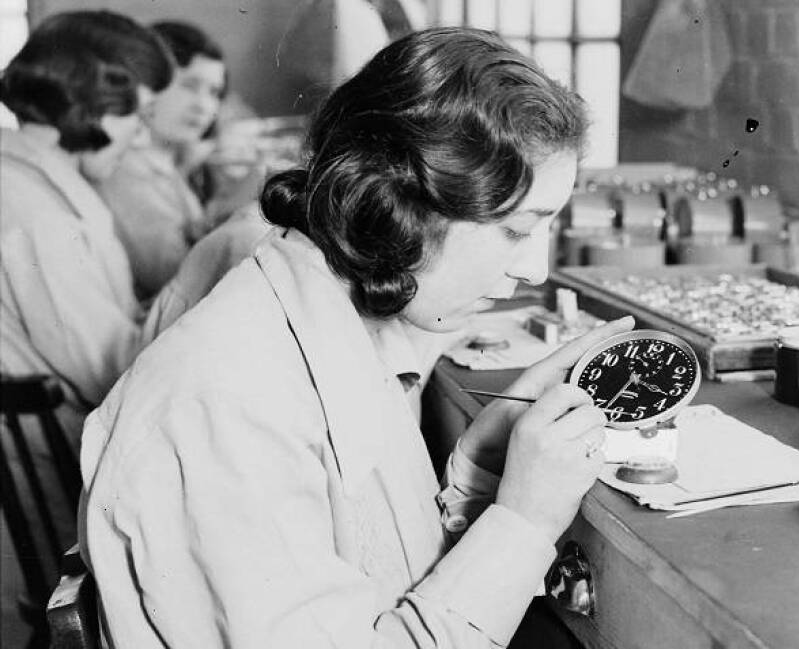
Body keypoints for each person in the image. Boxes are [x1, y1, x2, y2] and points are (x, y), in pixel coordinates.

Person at [80, 27, 632, 647]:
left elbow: (380, 572)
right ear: (399, 207)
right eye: (516, 230)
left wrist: (478, 475)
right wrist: (525, 519)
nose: (535, 268)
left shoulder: (327, 325)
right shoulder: (228, 404)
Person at [0, 10, 173, 440]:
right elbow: (114, 375)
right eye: (142, 115)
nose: (142, 138)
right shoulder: (39, 216)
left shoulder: (24, 175)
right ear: (96, 106)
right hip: (63, 462)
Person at [94, 20, 261, 300]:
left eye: (214, 93)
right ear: (147, 83)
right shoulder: (127, 169)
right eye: (190, 85)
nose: (204, 106)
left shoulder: (164, 159)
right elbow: (177, 279)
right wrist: (239, 210)